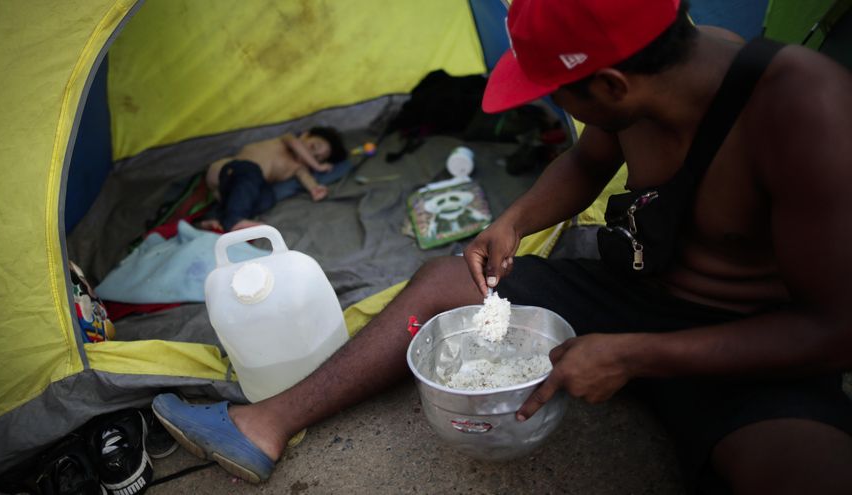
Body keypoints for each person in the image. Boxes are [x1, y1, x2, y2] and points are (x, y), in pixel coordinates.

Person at [153, 0, 852, 492]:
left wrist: (634, 354)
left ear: (610, 85)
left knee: (806, 474)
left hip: (745, 346)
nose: (551, 104)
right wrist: (512, 221)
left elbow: (834, 331)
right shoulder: (642, 79)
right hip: (638, 289)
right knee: (445, 282)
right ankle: (264, 424)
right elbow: (588, 160)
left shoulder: (806, 110)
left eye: (557, 93)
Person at [200, 127, 347, 231]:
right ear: (305, 135)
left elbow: (306, 177)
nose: (310, 155)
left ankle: (215, 220)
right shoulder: (285, 139)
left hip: (235, 191)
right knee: (251, 171)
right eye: (313, 147)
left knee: (267, 198)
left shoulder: (298, 166)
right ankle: (234, 221)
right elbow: (294, 143)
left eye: (318, 157)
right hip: (227, 170)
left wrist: (315, 188)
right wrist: (317, 166)